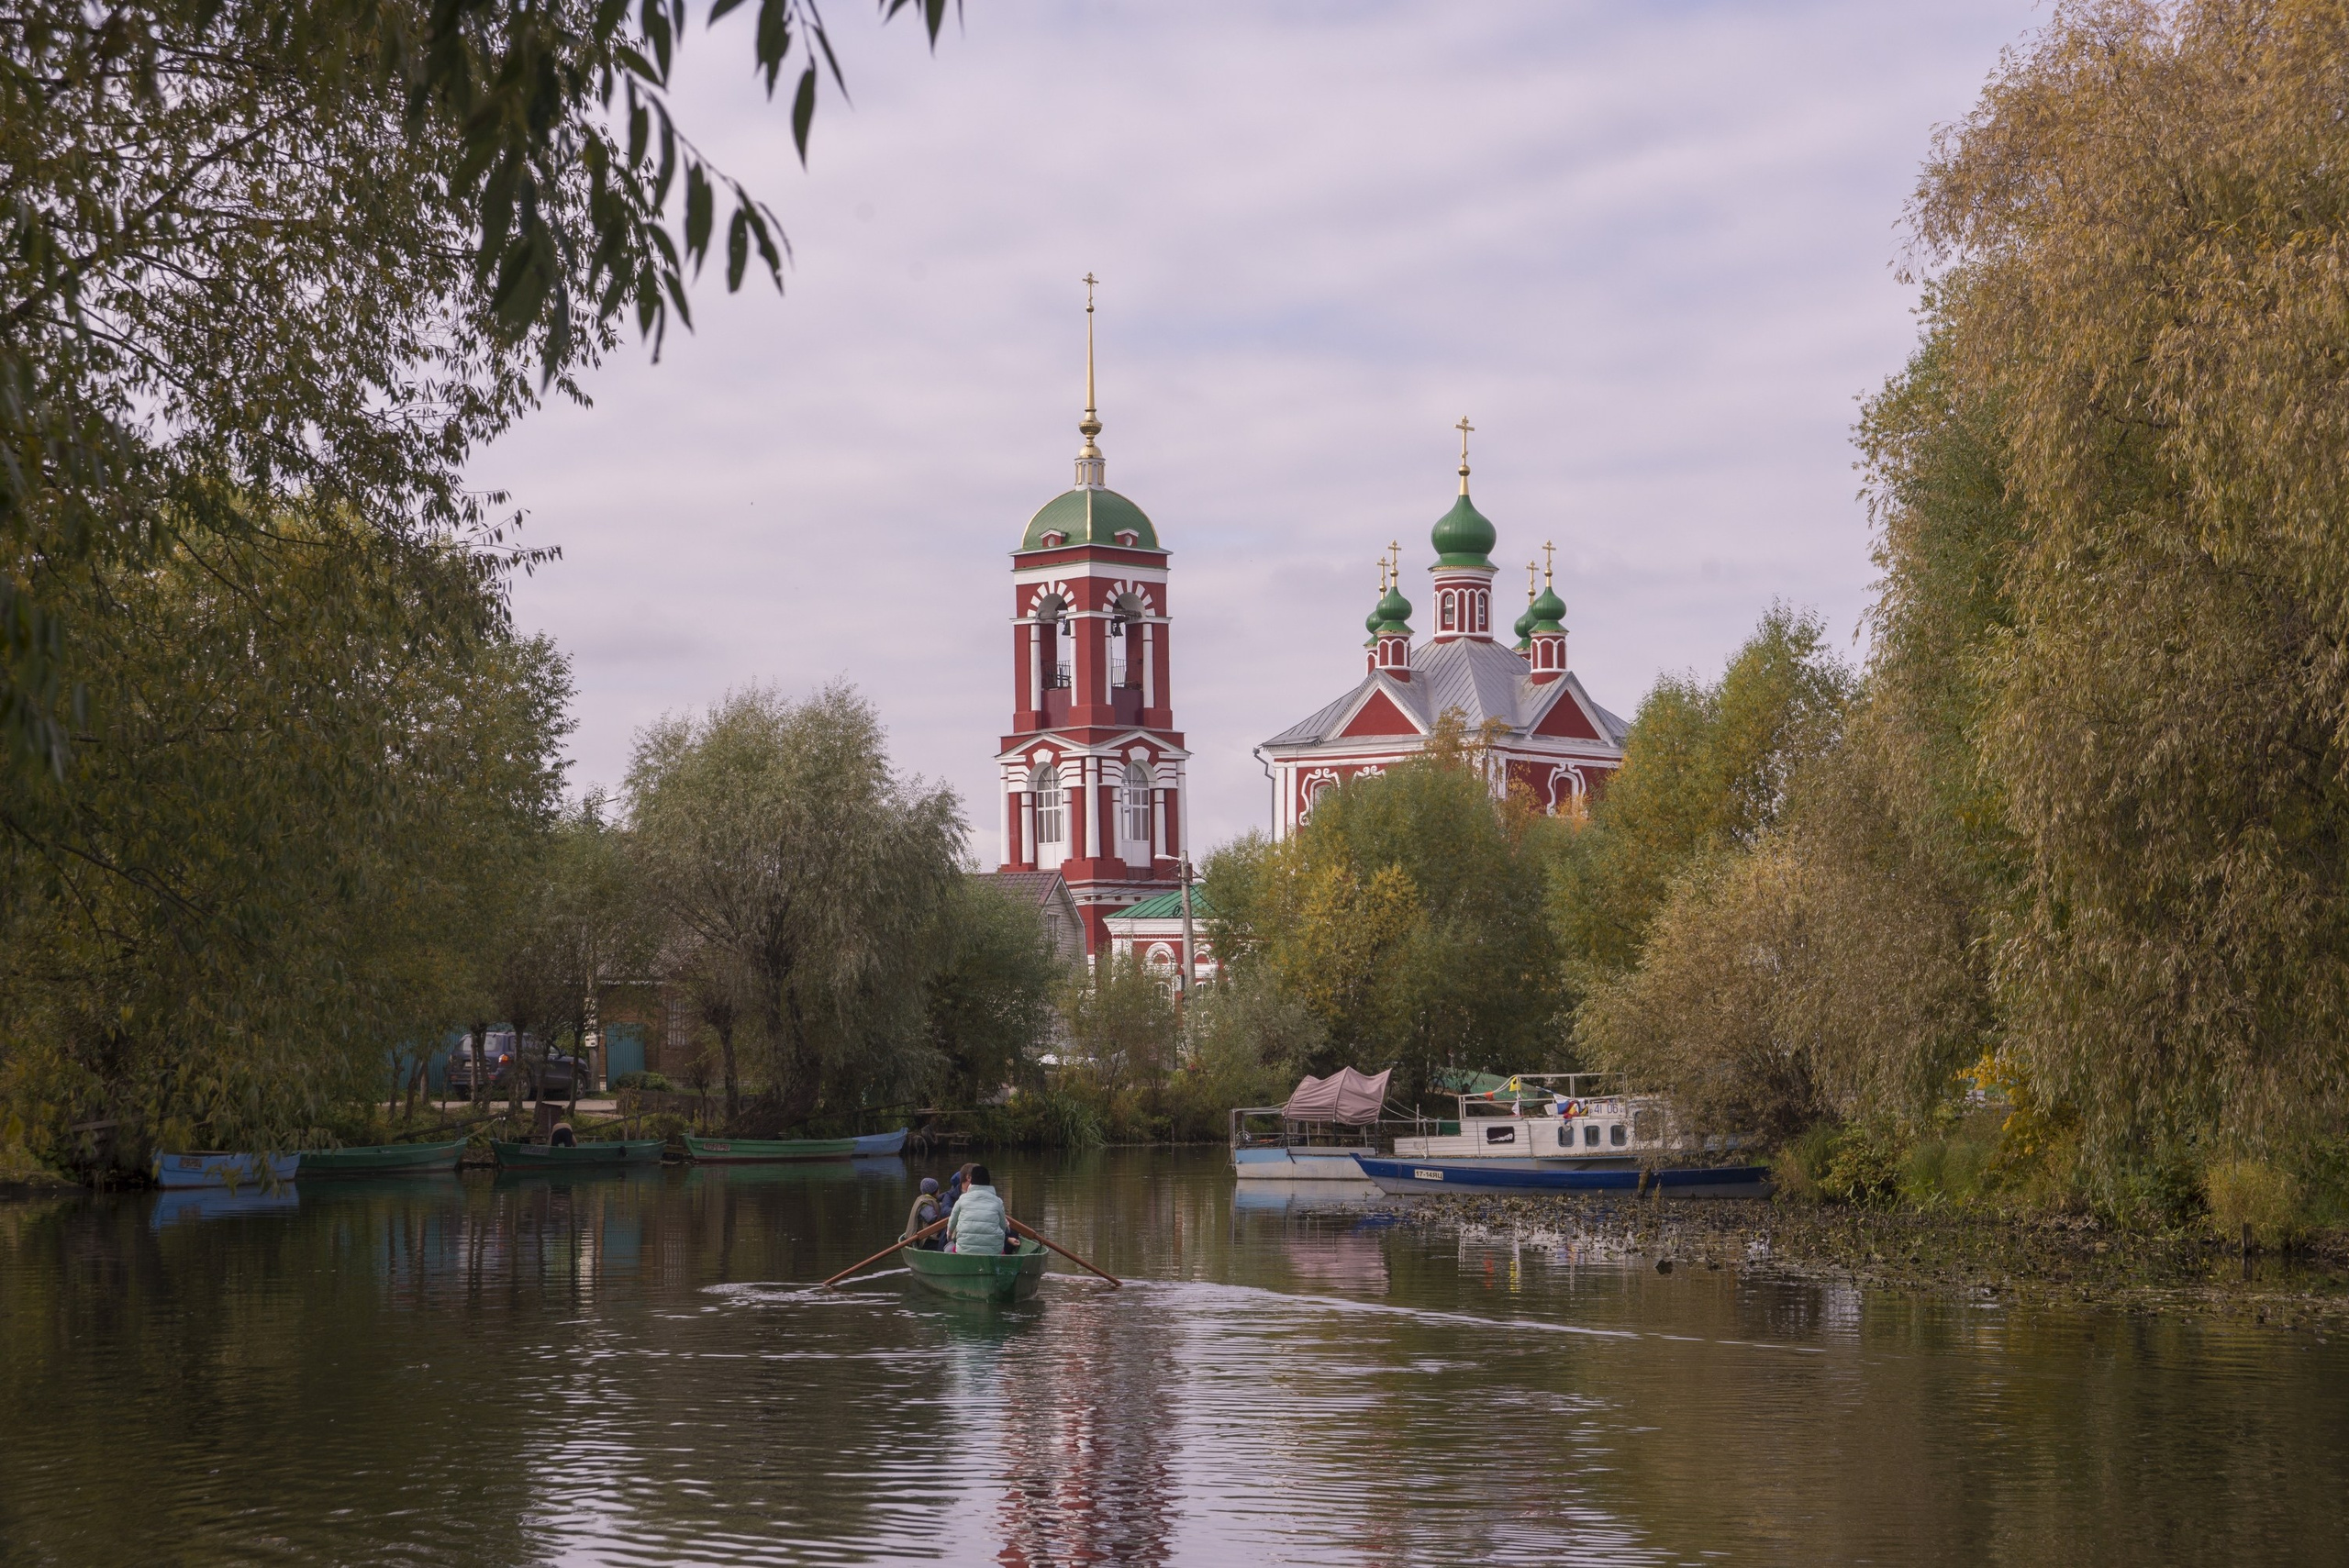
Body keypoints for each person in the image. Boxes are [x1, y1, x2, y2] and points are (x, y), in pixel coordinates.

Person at [943, 1164, 1008, 1256]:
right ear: (988, 1182)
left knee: (949, 1248)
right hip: (993, 1252)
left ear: (972, 1181)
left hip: (964, 1251)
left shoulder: (962, 1199)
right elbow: (1003, 1227)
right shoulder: (998, 1202)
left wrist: (949, 1236)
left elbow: (951, 1224)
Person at [902, 1177, 942, 1247]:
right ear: (936, 1191)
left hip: (931, 1238)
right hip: (929, 1240)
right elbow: (931, 1219)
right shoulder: (925, 1203)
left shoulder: (927, 1199)